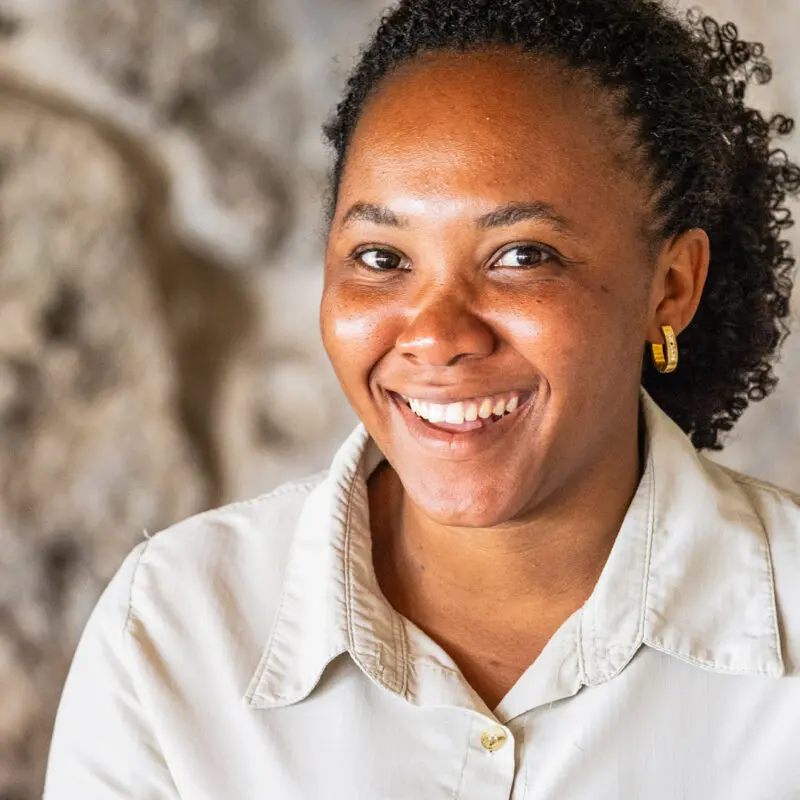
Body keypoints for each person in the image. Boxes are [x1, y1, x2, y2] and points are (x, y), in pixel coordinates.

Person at [44, 0, 800, 797]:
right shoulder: (174, 625)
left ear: (672, 287)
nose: (437, 335)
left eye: (521, 254)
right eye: (380, 255)